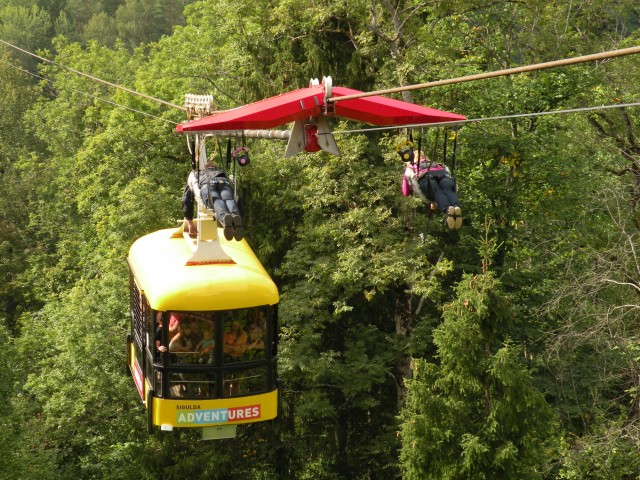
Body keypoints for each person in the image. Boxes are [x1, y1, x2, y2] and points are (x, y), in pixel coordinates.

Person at [182, 160, 244, 241]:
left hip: (207, 185)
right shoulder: (223, 173)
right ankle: (235, 214)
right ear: (215, 167)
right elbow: (237, 198)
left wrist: (189, 221)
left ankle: (224, 215)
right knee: (229, 199)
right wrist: (239, 216)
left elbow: (187, 199)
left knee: (216, 200)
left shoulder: (197, 174)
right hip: (224, 183)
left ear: (206, 168)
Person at [402, 150, 462, 229]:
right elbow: (449, 175)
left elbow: (405, 192)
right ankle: (455, 206)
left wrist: (429, 200)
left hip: (426, 177)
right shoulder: (438, 165)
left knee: (436, 191)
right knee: (448, 189)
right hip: (444, 175)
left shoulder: (411, 167)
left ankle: (447, 209)